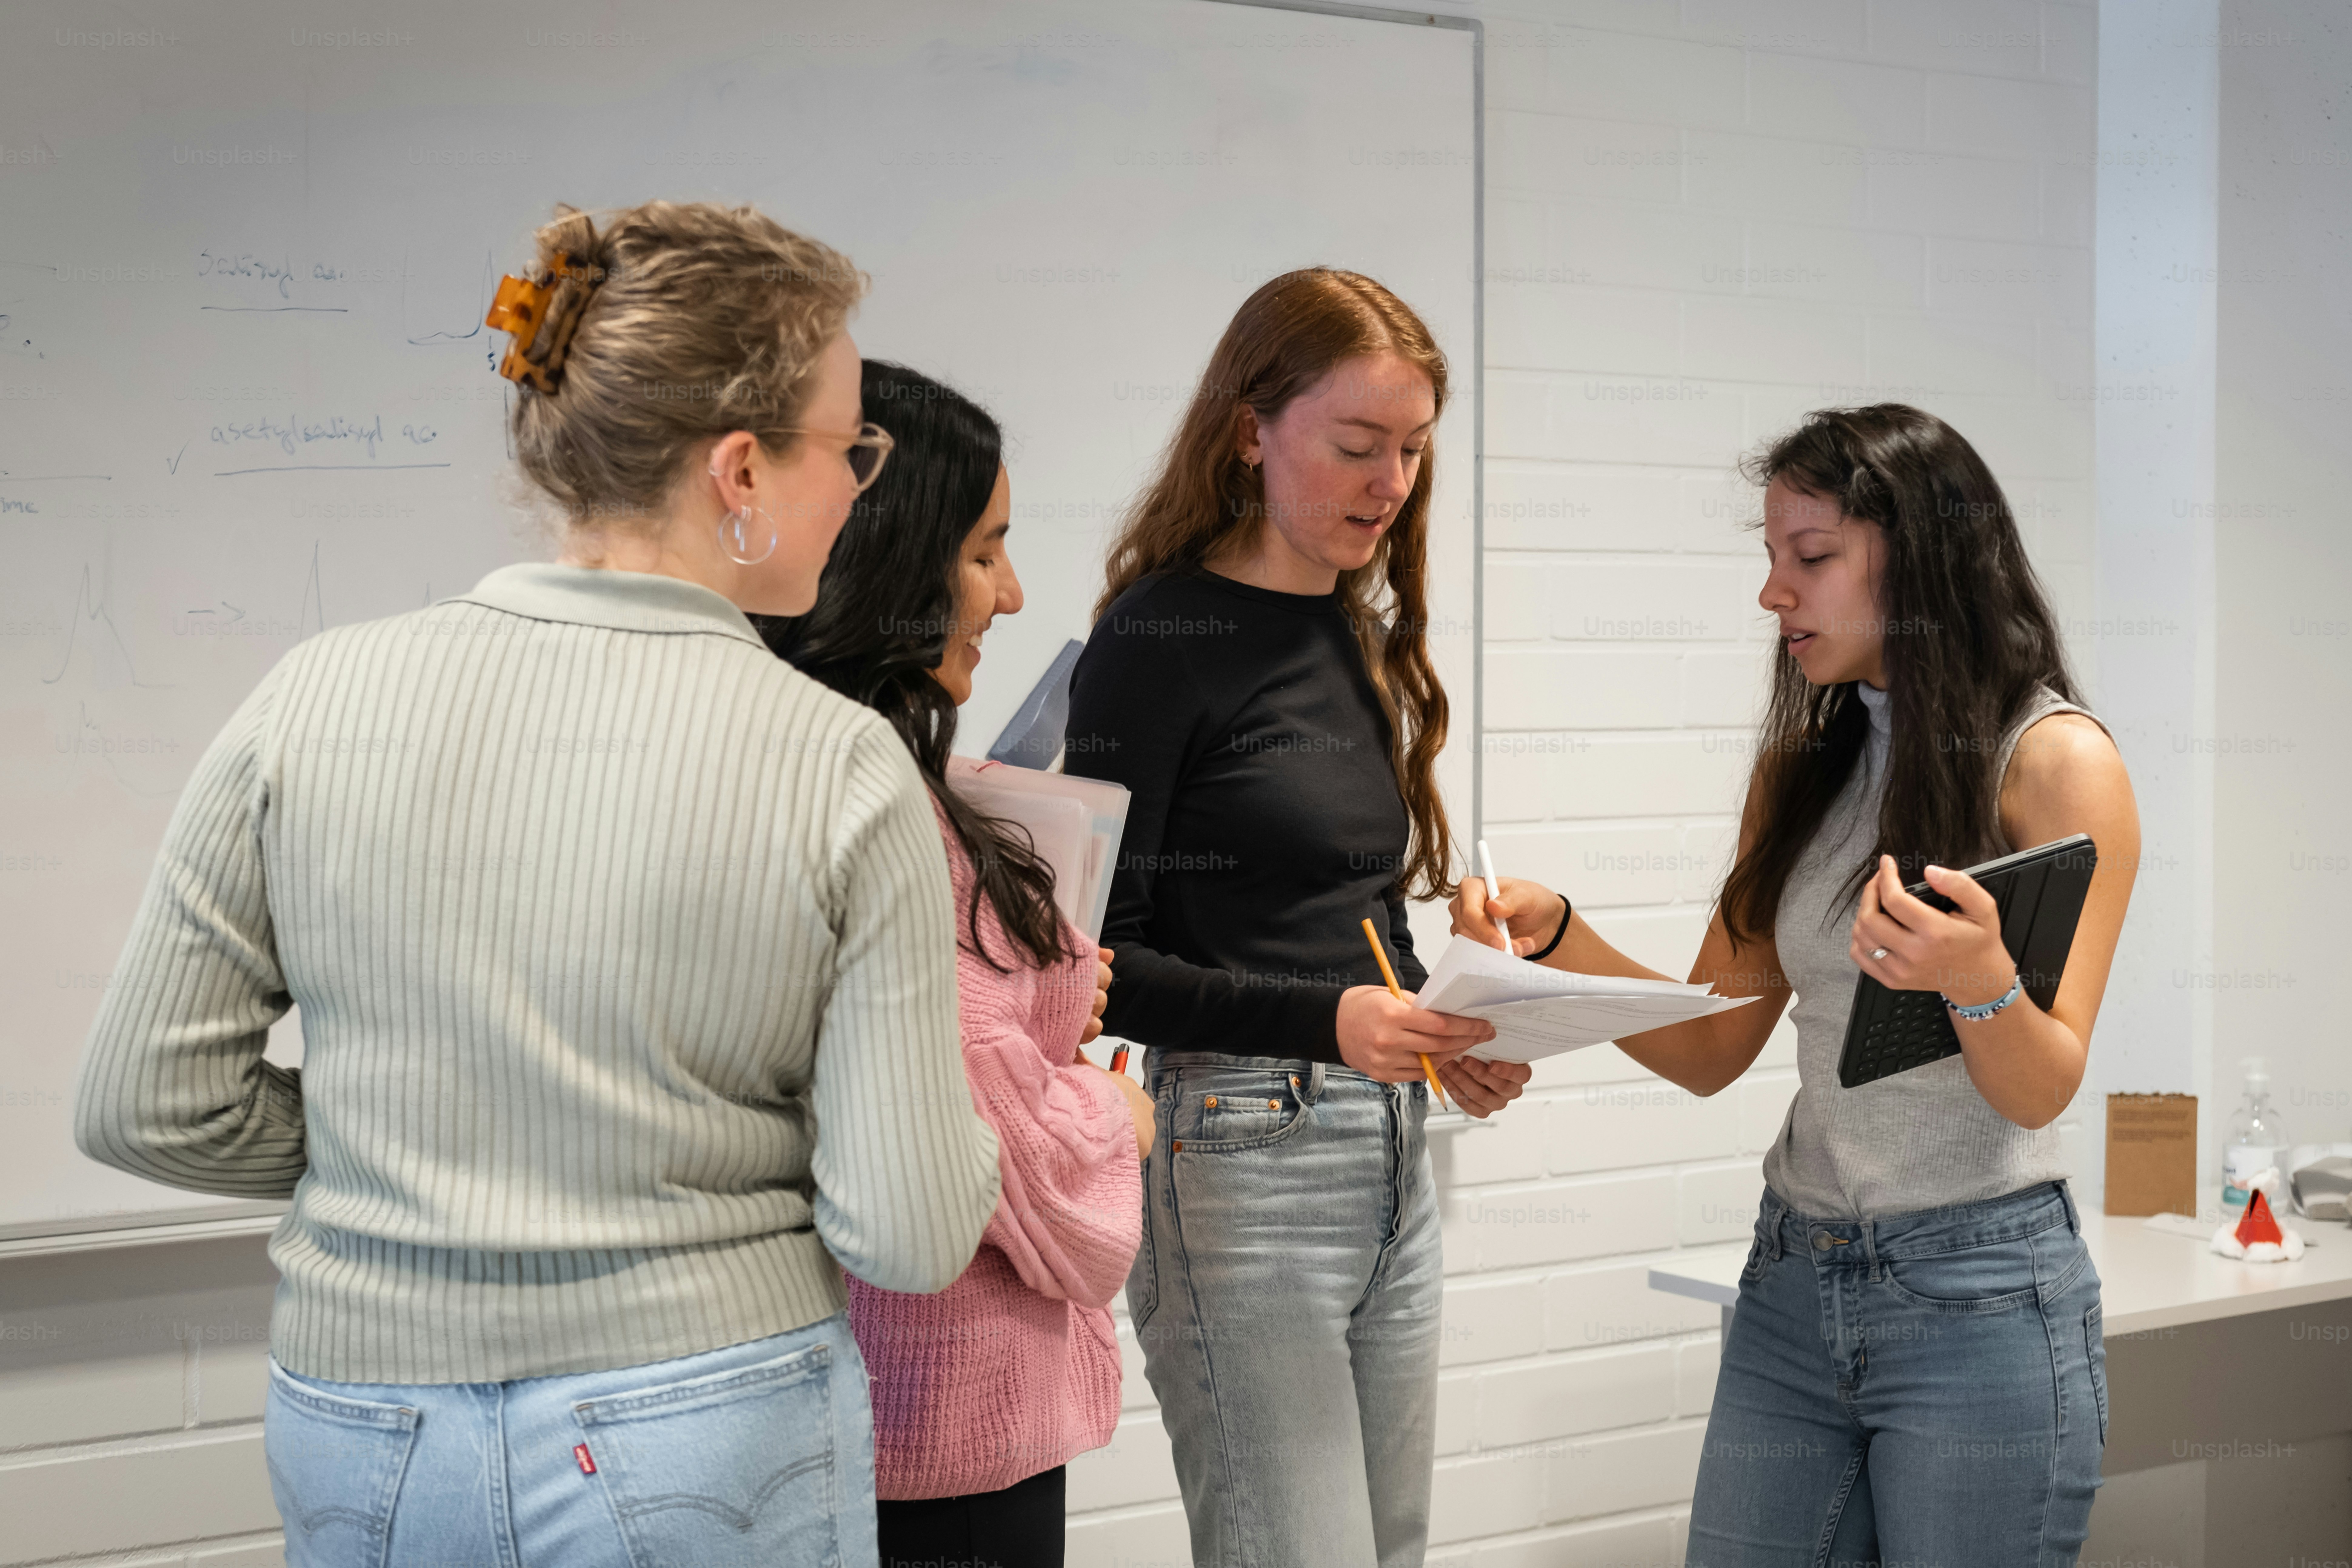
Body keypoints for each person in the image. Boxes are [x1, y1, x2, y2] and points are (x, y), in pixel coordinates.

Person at [73, 202, 1009, 1568]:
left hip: (364, 1419)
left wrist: (407, 1147)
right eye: (849, 448)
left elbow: (146, 1101)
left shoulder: (310, 695)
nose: (862, 485)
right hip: (701, 1412)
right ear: (738, 470)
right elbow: (914, 1229)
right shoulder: (837, 761)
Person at [1453, 405, 2139, 1566]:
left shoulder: (2057, 761)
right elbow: (1714, 1046)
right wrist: (1561, 934)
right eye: (1771, 558)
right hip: (1792, 1279)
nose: (1775, 593)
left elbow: (2040, 1089)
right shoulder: (1802, 765)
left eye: (1810, 558)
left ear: (1918, 557)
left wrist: (1976, 978)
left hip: (1980, 1289)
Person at [1062, 267, 1531, 1568]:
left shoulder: (1351, 628)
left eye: (1413, 449)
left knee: (1387, 1553)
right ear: (1248, 429)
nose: (1390, 482)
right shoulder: (1155, 639)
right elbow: (1092, 967)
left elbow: (1346, 922)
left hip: (1387, 1149)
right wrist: (1327, 1021)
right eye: (1356, 445)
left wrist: (1441, 1029)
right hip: (1239, 1156)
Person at [757, 362, 1150, 1568]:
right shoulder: (879, 814)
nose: (1012, 592)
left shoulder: (773, 768)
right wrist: (1110, 1110)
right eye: (983, 553)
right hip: (936, 1432)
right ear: (893, 558)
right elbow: (984, 1150)